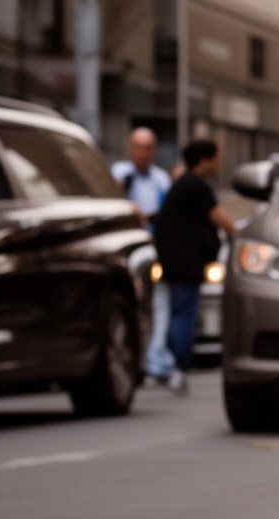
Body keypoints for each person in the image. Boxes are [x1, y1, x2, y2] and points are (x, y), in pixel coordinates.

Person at [154, 139, 237, 395]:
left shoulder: (183, 184)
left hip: (175, 260)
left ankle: (170, 365)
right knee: (183, 314)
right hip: (186, 263)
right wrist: (242, 234)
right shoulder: (195, 186)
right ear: (204, 160)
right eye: (215, 158)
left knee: (176, 311)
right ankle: (177, 367)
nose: (217, 164)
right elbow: (221, 218)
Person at [111, 128, 178, 387]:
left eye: (147, 148)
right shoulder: (119, 173)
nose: (142, 154)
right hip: (125, 251)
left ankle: (155, 359)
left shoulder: (161, 180)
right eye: (138, 147)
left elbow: (166, 215)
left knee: (159, 304)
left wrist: (147, 217)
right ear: (130, 148)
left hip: (152, 249)